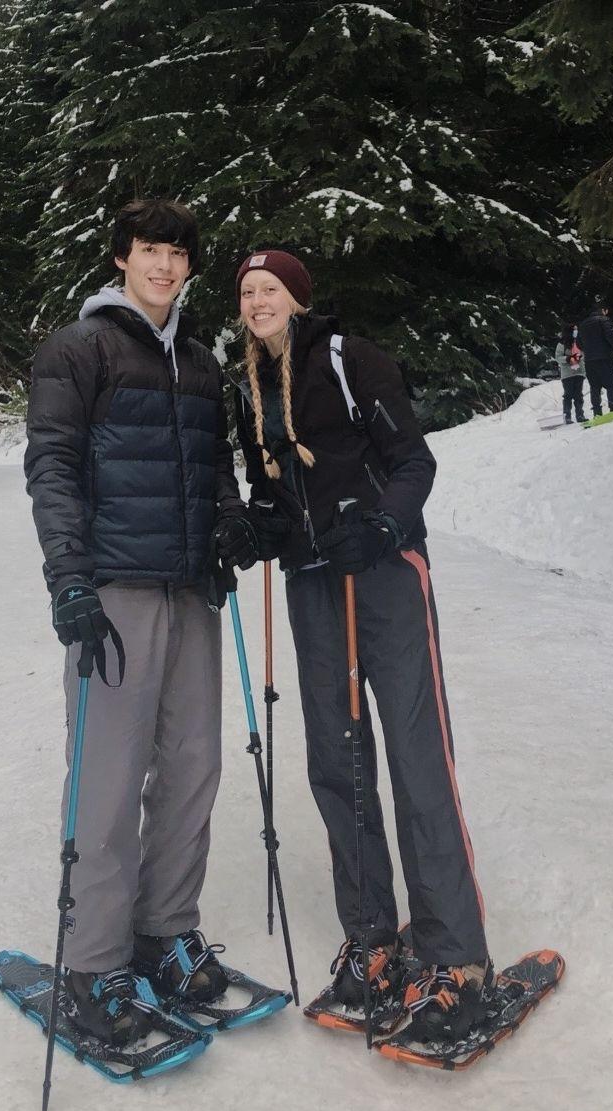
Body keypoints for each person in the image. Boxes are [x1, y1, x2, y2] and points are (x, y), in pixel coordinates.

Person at [233, 249, 492, 1043]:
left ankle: (455, 956)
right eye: (246, 292)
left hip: (382, 576)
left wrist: (383, 522)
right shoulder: (245, 386)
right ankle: (373, 938)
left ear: (298, 298)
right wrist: (263, 524)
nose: (257, 300)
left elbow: (414, 460)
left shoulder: (350, 360)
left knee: (417, 757)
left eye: (269, 288)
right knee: (336, 763)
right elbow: (268, 487)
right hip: (315, 586)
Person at [24, 198, 256, 1047]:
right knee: (110, 776)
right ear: (122, 258)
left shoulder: (198, 361)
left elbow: (215, 466)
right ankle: (92, 961)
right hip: (115, 589)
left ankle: (163, 929)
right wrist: (69, 581)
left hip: (191, 591)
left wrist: (229, 517)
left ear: (191, 267)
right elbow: (50, 467)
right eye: (149, 250)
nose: (163, 265)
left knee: (194, 766)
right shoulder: (78, 349)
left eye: (177, 253)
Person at [577, 299, 613, 417]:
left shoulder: (583, 324)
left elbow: (579, 344)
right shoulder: (604, 320)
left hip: (590, 361)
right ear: (603, 310)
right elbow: (610, 336)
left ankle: (597, 412)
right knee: (611, 383)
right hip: (605, 357)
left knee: (595, 386)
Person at [554, 323, 586, 424]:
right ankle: (567, 416)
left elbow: (583, 354)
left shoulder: (579, 342)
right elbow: (558, 357)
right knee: (568, 396)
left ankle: (580, 415)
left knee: (579, 395)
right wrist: (568, 359)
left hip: (579, 372)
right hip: (567, 374)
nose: (576, 332)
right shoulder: (561, 344)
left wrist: (579, 357)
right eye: (574, 330)